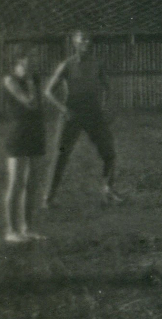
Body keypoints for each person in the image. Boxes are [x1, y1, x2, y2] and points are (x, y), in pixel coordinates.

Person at [42, 30, 122, 207]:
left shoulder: (97, 64)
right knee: (60, 155)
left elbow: (108, 88)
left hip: (93, 114)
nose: (87, 43)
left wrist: (106, 108)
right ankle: (48, 198)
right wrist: (63, 109)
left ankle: (108, 190)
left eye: (88, 40)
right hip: (72, 115)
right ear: (75, 43)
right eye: (83, 41)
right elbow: (48, 91)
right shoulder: (67, 65)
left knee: (109, 151)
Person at [1, 47, 47, 243]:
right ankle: (11, 231)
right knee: (16, 182)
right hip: (18, 134)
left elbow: (39, 105)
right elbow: (30, 102)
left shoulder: (35, 79)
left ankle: (27, 228)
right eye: (32, 57)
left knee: (32, 183)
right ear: (20, 60)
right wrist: (29, 82)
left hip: (36, 132)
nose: (35, 61)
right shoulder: (10, 80)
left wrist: (32, 82)